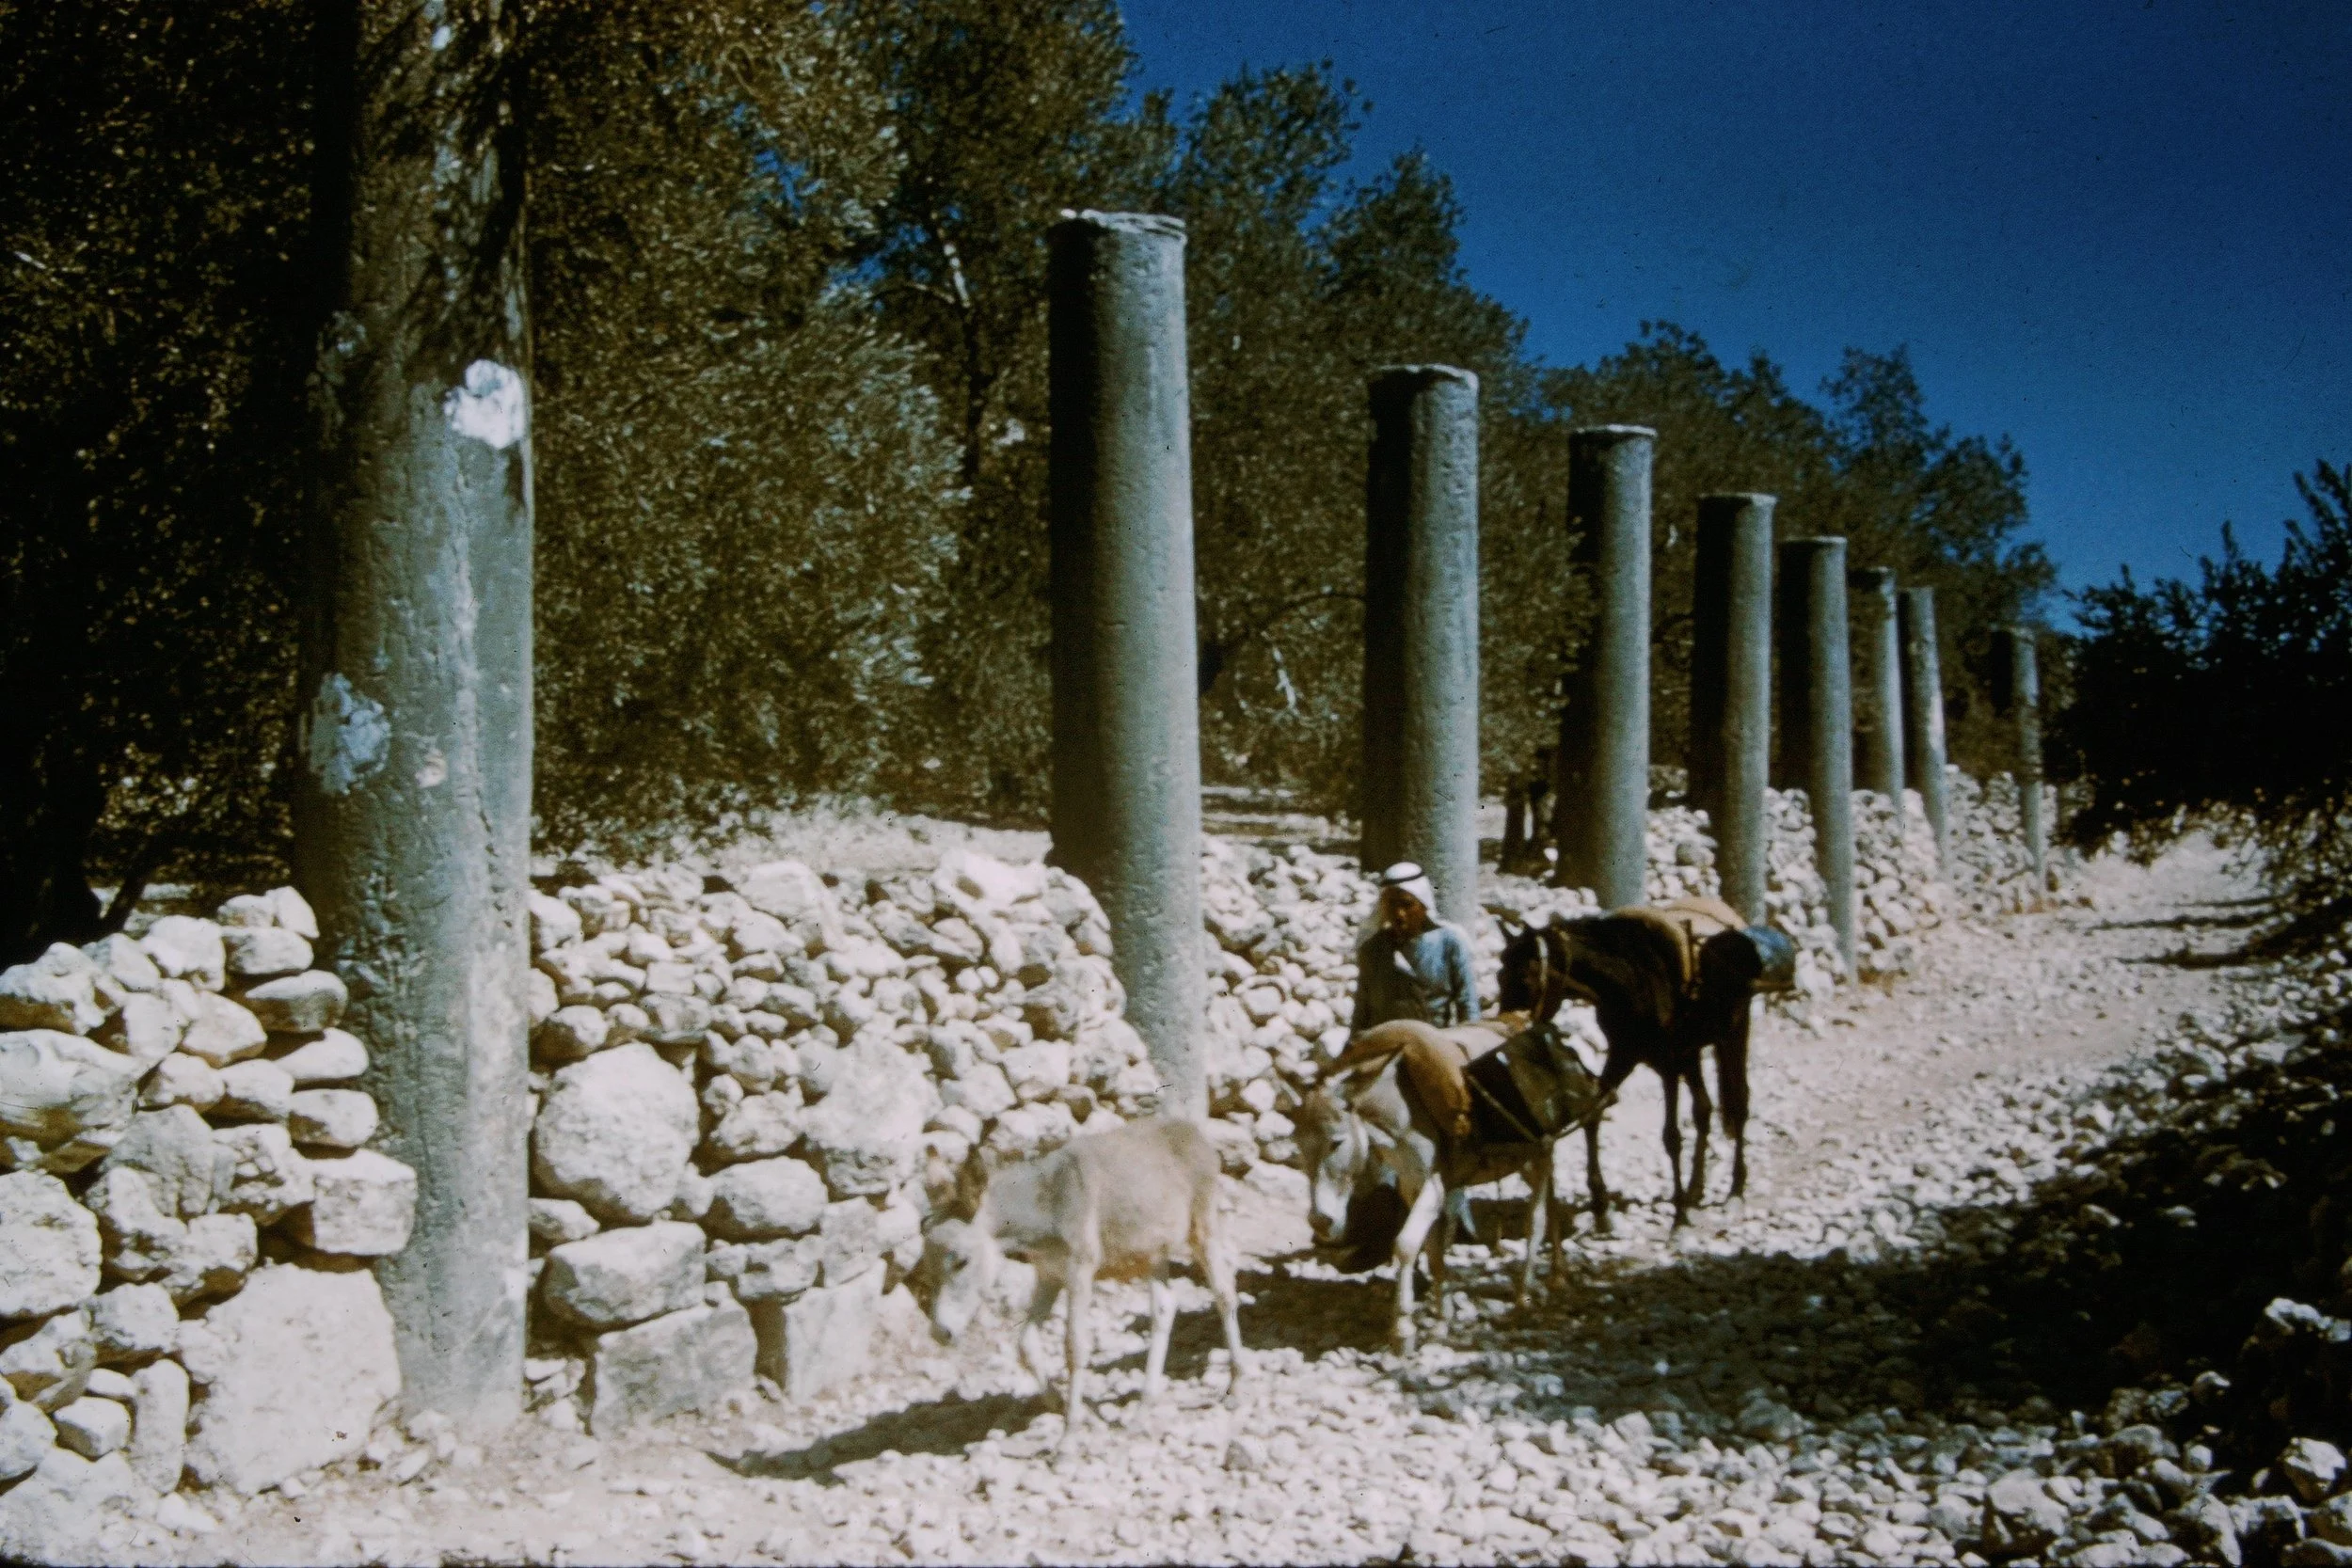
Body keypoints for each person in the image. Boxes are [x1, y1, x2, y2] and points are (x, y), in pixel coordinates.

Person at [1350, 862, 1481, 1032]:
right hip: (1382, 1041)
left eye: (1407, 904)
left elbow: (1468, 1005)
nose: (1399, 913)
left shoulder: (1449, 943)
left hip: (1434, 1042)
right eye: (1392, 904)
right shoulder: (1373, 948)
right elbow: (1362, 1010)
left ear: (1423, 904)